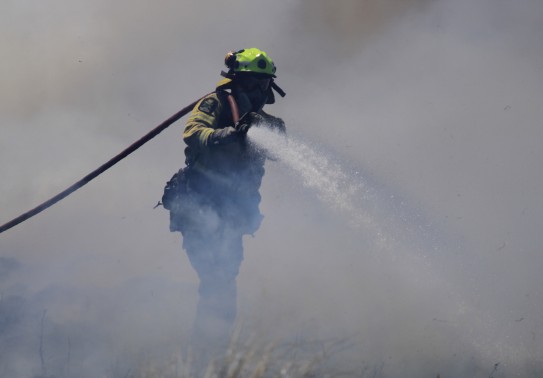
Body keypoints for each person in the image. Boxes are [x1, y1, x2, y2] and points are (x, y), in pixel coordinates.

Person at [163, 48, 286, 359]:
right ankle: (204, 356)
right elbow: (193, 133)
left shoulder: (265, 122)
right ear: (242, 82)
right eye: (257, 84)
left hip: (230, 214)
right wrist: (231, 134)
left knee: (223, 282)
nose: (261, 92)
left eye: (264, 85)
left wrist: (260, 130)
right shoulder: (215, 104)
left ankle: (211, 354)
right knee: (217, 280)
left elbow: (280, 149)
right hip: (199, 205)